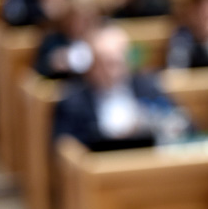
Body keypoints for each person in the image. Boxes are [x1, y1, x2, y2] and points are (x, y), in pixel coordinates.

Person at [53, 23, 194, 149]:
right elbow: (66, 149)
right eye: (103, 63)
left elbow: (184, 123)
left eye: (116, 63)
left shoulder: (147, 87)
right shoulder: (73, 102)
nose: (110, 72)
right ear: (91, 65)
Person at [34, 3, 99, 79]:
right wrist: (52, 63)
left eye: (83, 22)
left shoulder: (94, 41)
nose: (78, 25)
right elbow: (39, 68)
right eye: (75, 21)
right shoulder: (52, 40)